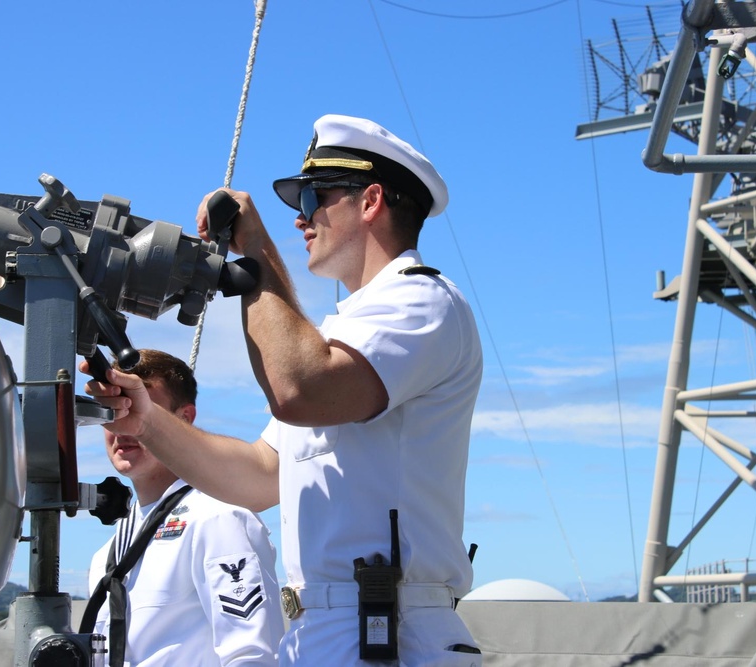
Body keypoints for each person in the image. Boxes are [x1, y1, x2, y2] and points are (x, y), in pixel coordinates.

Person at [83, 114, 484, 665]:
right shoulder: (343, 336)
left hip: (392, 636)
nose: (300, 219)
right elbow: (256, 477)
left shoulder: (423, 303)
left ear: (370, 202)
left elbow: (297, 387)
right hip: (326, 634)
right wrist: (147, 418)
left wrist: (256, 253)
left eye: (311, 198)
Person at [86, 349, 284, 666]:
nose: (122, 427)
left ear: (185, 418)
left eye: (135, 409)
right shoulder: (106, 555)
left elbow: (252, 655)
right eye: (112, 412)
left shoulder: (219, 518)